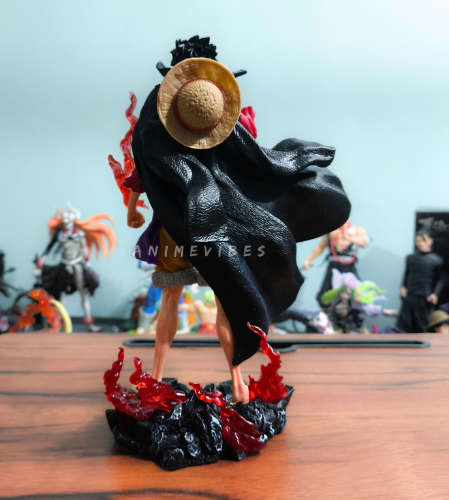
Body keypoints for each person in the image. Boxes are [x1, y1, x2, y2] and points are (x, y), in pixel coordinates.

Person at [116, 36, 351, 403]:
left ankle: (164, 377)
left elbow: (140, 177)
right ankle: (236, 382)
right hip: (217, 230)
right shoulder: (229, 126)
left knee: (176, 302)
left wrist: (132, 211)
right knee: (227, 300)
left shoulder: (156, 132)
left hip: (180, 230)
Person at [35, 205, 116, 332]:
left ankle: (89, 324)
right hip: (64, 266)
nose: (66, 224)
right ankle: (59, 324)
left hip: (77, 265)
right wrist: (40, 263)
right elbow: (48, 248)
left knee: (83, 293)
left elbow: (84, 249)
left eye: (68, 221)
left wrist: (87, 261)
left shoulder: (79, 234)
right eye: (65, 222)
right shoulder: (59, 234)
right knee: (61, 295)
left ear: (73, 221)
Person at [303, 221, 369, 305]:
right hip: (333, 266)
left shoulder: (357, 230)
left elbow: (363, 243)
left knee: (355, 293)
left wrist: (347, 236)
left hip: (349, 267)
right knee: (326, 294)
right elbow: (320, 247)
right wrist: (308, 259)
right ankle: (330, 309)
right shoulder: (330, 231)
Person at [395, 230, 444, 333]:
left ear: (430, 241)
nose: (421, 243)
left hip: (425, 297)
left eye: (423, 240)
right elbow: (407, 273)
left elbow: (440, 279)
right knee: (405, 324)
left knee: (424, 325)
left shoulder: (436, 260)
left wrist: (435, 294)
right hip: (410, 296)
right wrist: (403, 287)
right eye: (418, 241)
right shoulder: (410, 258)